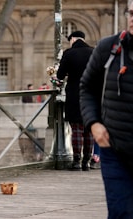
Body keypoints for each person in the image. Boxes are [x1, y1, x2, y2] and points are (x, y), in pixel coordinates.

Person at [80, 1, 133, 217]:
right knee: (120, 213)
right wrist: (94, 124)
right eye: (131, 13)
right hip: (115, 148)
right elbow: (86, 88)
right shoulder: (109, 48)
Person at [56, 30, 94, 171]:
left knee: (77, 128)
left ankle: (76, 162)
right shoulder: (94, 52)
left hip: (74, 94)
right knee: (89, 129)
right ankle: (87, 162)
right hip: (91, 94)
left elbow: (60, 75)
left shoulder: (69, 53)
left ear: (72, 39)